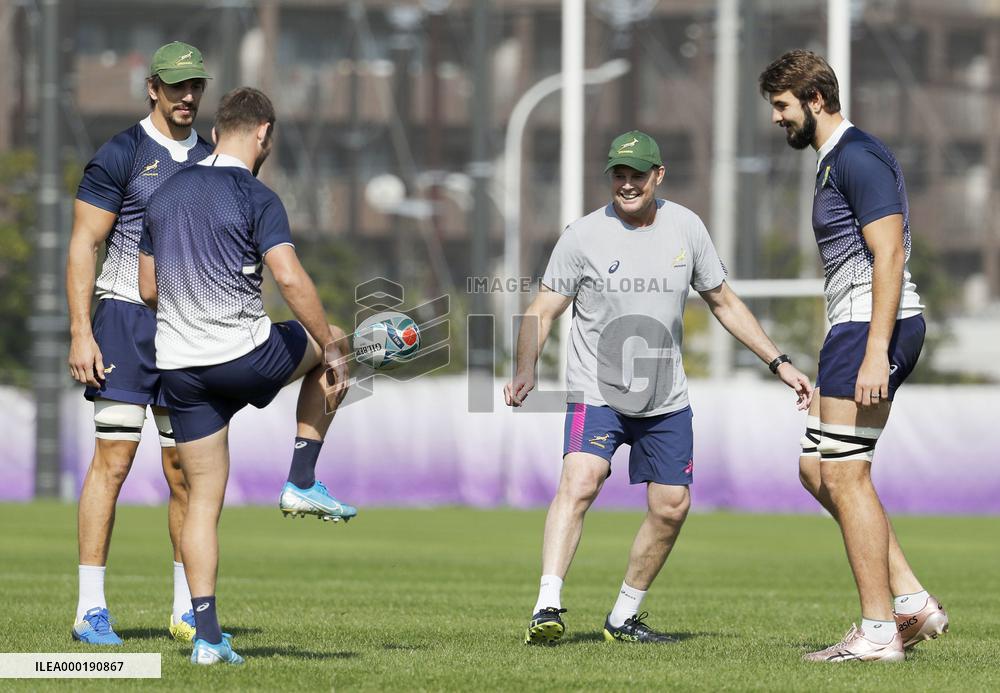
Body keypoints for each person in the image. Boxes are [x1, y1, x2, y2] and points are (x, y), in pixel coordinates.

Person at [507, 130, 813, 645]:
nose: (627, 184)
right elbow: (542, 308)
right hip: (596, 391)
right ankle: (547, 606)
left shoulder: (686, 227)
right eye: (618, 175)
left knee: (672, 505)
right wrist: (525, 368)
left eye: (637, 175)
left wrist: (778, 361)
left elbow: (723, 302)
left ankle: (624, 617)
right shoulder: (581, 235)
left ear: (658, 175)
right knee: (580, 480)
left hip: (665, 399)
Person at [138, 87, 352, 665]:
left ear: (214, 133)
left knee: (202, 503)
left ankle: (207, 639)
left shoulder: (164, 193)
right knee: (335, 342)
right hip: (242, 355)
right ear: (263, 134)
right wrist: (331, 348)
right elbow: (288, 277)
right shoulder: (256, 195)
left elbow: (149, 289)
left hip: (179, 371)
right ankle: (302, 478)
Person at [759, 49, 949, 662]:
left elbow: (889, 255)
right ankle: (912, 603)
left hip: (874, 326)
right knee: (818, 470)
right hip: (854, 326)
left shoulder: (856, 156)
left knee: (845, 472)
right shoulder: (834, 160)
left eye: (783, 107)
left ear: (816, 100)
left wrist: (873, 353)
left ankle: (876, 632)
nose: (776, 119)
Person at [66, 41, 214, 645]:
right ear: (152, 87)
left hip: (187, 330)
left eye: (195, 86)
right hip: (124, 321)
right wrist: (81, 330)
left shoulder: (213, 159)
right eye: (175, 85)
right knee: (114, 462)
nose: (186, 96)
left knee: (185, 472)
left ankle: (184, 609)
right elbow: (84, 243)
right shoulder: (122, 152)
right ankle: (90, 610)